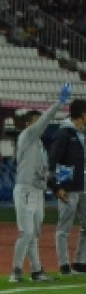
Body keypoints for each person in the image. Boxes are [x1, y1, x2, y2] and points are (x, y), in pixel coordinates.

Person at [10, 84, 69, 283]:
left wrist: (55, 179)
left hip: (36, 192)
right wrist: (58, 104)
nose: (39, 127)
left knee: (34, 234)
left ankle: (36, 271)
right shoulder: (26, 137)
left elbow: (43, 172)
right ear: (28, 124)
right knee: (25, 232)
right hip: (25, 191)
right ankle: (16, 270)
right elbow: (44, 121)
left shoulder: (40, 146)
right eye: (35, 123)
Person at [48, 98, 86, 276]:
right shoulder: (64, 134)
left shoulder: (81, 134)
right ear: (83, 114)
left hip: (82, 187)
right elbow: (53, 161)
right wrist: (57, 186)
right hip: (68, 188)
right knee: (64, 228)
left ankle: (80, 262)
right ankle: (64, 265)